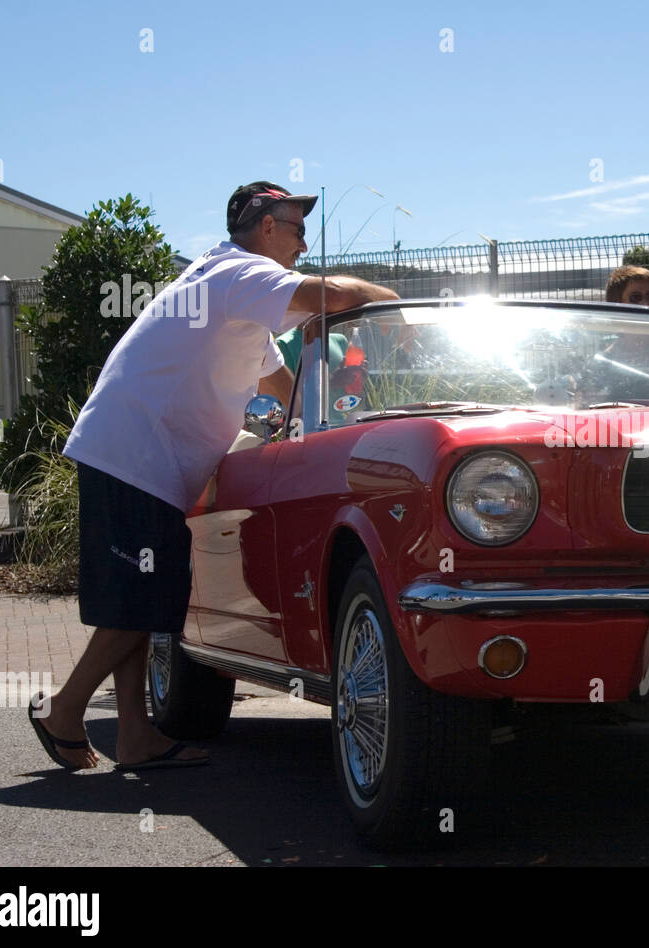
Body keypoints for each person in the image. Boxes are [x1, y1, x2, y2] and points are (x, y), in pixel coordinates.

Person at [31, 181, 399, 772]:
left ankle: (133, 735)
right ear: (267, 229)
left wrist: (316, 425)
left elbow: (285, 389)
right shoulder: (237, 276)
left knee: (139, 596)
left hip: (132, 454)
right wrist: (394, 311)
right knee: (147, 596)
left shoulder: (235, 303)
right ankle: (63, 710)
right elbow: (336, 294)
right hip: (136, 455)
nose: (304, 243)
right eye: (298, 229)